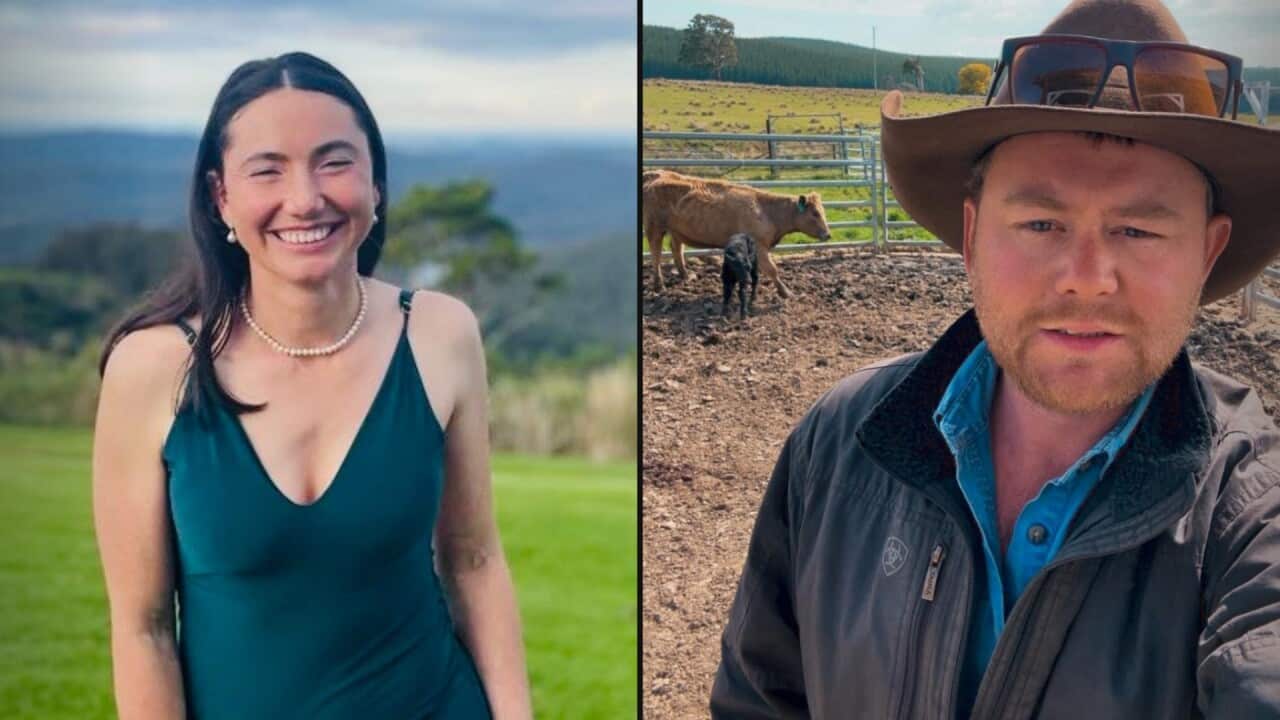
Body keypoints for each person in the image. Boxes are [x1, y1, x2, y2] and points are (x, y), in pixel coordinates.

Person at [710, 1, 1280, 717]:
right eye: (1041, 223)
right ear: (972, 237)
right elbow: (759, 699)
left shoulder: (1251, 513)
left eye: (1137, 228)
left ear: (1209, 251)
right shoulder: (837, 445)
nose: (1086, 275)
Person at [92, 53, 531, 719]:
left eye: (334, 162)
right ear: (221, 198)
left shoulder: (441, 334)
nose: (305, 198)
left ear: (376, 185)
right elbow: (142, 627)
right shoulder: (153, 368)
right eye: (268, 169)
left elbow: (472, 562)